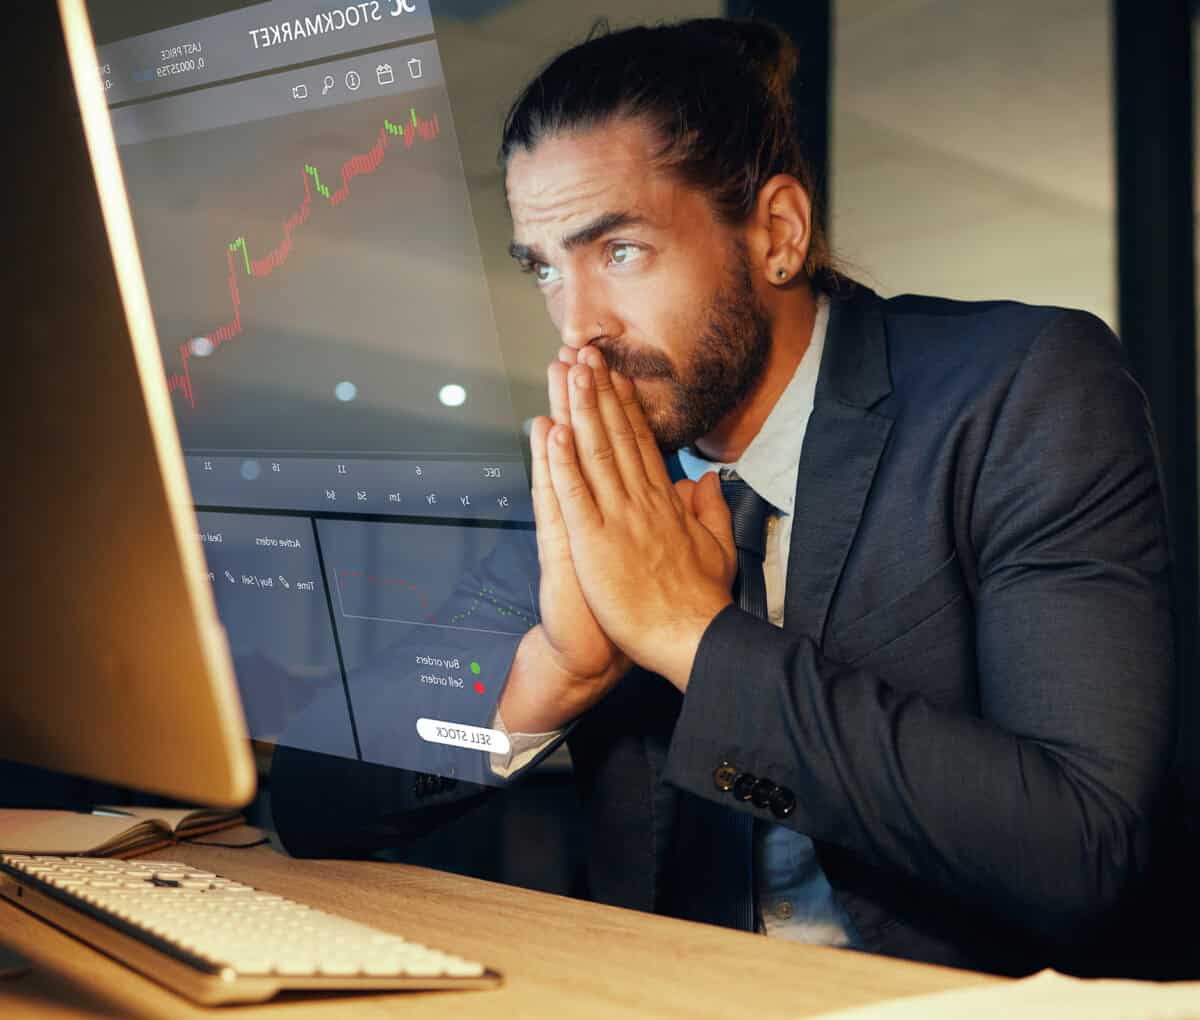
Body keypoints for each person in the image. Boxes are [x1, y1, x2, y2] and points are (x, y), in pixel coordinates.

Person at [274, 18, 1174, 975]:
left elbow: (1085, 849)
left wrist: (687, 637)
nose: (577, 328)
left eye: (617, 250)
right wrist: (547, 676)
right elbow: (317, 789)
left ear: (777, 234)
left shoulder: (1022, 389)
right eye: (543, 267)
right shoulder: (611, 467)